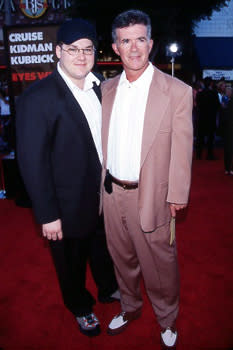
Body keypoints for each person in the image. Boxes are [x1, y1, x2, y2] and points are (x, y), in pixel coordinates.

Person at [16, 18, 119, 337]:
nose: (81, 56)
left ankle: (108, 288)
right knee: (71, 261)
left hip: (105, 195)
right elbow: (32, 162)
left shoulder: (101, 86)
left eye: (87, 49)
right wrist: (47, 215)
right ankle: (79, 306)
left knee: (104, 249)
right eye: (72, 49)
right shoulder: (37, 97)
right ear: (58, 51)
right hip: (65, 203)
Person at [101, 10, 193, 349]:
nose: (134, 48)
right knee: (120, 259)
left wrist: (178, 193)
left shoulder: (177, 91)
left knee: (160, 265)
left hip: (153, 194)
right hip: (111, 193)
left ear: (151, 43)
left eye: (140, 39)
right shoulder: (106, 90)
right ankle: (129, 307)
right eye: (126, 41)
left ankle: (167, 318)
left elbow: (183, 147)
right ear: (116, 47)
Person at [196, 77, 220, 160]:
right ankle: (209, 155)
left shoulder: (200, 93)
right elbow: (217, 106)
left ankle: (199, 154)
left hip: (202, 119)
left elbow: (198, 105)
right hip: (211, 119)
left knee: (200, 138)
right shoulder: (214, 93)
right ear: (211, 84)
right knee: (210, 138)